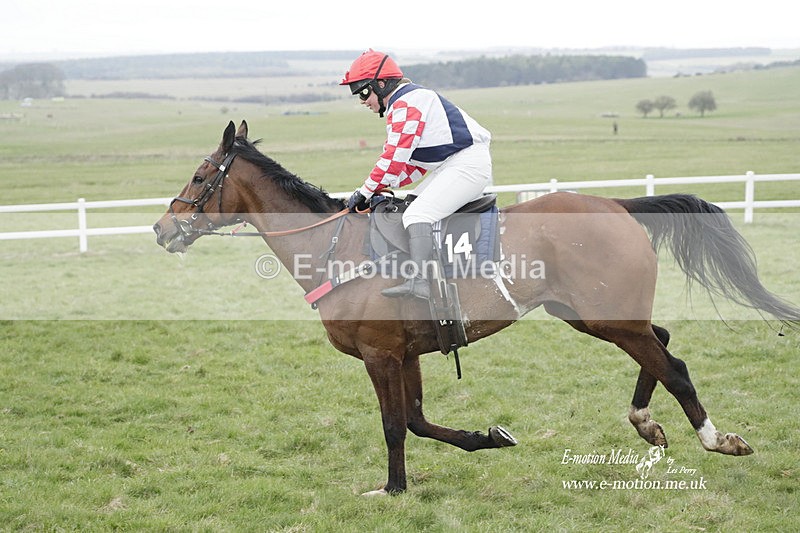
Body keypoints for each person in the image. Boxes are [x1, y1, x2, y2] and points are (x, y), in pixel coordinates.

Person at [341, 49, 493, 299]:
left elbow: (393, 157)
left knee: (417, 214)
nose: (363, 100)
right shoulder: (404, 102)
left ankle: (421, 282)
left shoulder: (406, 103)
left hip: (466, 164)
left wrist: (365, 191)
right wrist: (383, 186)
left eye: (364, 92)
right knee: (409, 206)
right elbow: (413, 167)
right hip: (453, 163)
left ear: (381, 84)